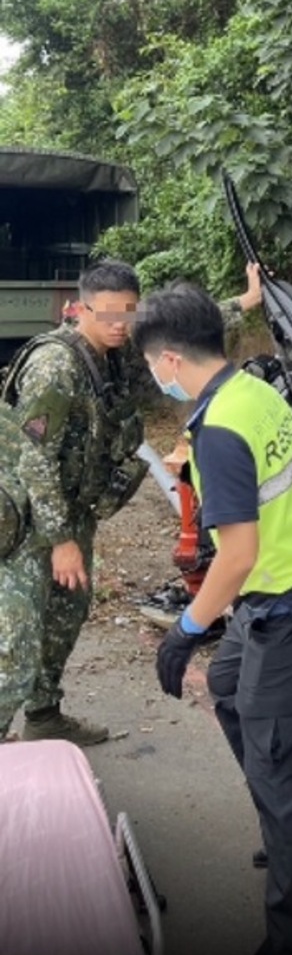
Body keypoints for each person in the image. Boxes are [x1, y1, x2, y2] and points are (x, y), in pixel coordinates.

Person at [132, 282, 292, 955]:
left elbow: (237, 555)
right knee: (230, 690)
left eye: (150, 366)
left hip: (290, 602)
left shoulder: (221, 428)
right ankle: (289, 817)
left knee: (280, 763)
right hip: (291, 586)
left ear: (168, 358)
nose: (151, 378)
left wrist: (186, 631)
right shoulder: (248, 389)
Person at [0, 258, 154, 747]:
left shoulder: (115, 351)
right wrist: (60, 540)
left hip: (71, 509)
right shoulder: (55, 367)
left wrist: (246, 302)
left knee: (65, 616)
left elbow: (181, 323)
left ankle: (45, 717)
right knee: (15, 645)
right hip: (27, 522)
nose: (117, 325)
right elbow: (32, 462)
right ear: (78, 309)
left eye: (126, 314)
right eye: (106, 314)